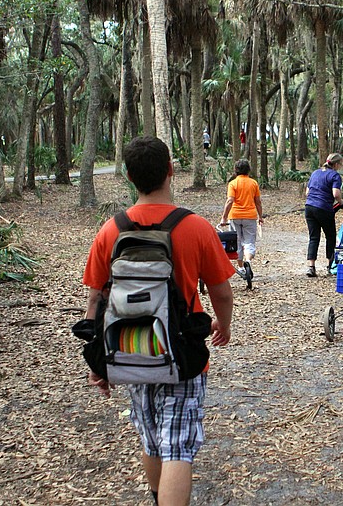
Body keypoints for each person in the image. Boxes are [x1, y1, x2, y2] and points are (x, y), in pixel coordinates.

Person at [83, 135, 234, 506]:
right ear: (170, 170)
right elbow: (222, 292)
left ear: (130, 178)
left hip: (132, 348)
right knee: (178, 447)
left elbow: (94, 301)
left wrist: (96, 360)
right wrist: (223, 324)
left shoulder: (110, 229)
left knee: (151, 437)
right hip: (180, 352)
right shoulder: (195, 227)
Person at [219, 159, 263, 281]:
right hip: (250, 216)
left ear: (236, 170)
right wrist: (260, 216)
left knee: (236, 241)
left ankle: (241, 267)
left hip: (235, 216)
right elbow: (258, 202)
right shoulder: (253, 183)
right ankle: (247, 260)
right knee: (249, 242)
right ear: (248, 170)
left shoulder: (233, 184)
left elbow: (229, 201)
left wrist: (224, 217)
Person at [304, 153, 343, 277]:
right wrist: (341, 202)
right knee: (330, 236)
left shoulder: (315, 173)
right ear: (336, 164)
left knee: (314, 237)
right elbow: (336, 194)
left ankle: (311, 266)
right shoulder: (334, 175)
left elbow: (307, 192)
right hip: (324, 208)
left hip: (309, 207)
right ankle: (330, 265)